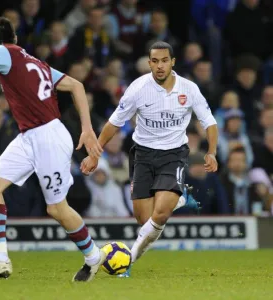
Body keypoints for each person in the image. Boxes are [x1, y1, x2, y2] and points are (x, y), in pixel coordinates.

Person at [0, 17, 105, 282]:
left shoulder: (2, 52)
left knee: (56, 209)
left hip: (47, 136)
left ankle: (93, 256)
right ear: (16, 38)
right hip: (29, 136)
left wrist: (88, 130)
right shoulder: (34, 62)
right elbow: (76, 86)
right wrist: (87, 128)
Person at [81, 41, 219, 277]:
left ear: (173, 62)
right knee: (146, 221)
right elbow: (114, 123)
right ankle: (178, 197)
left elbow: (209, 121)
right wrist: (95, 154)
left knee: (161, 214)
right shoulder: (137, 88)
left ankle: (127, 261)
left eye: (164, 60)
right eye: (154, 61)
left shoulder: (189, 89)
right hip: (142, 155)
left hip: (174, 154)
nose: (159, 66)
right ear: (149, 63)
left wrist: (212, 151)